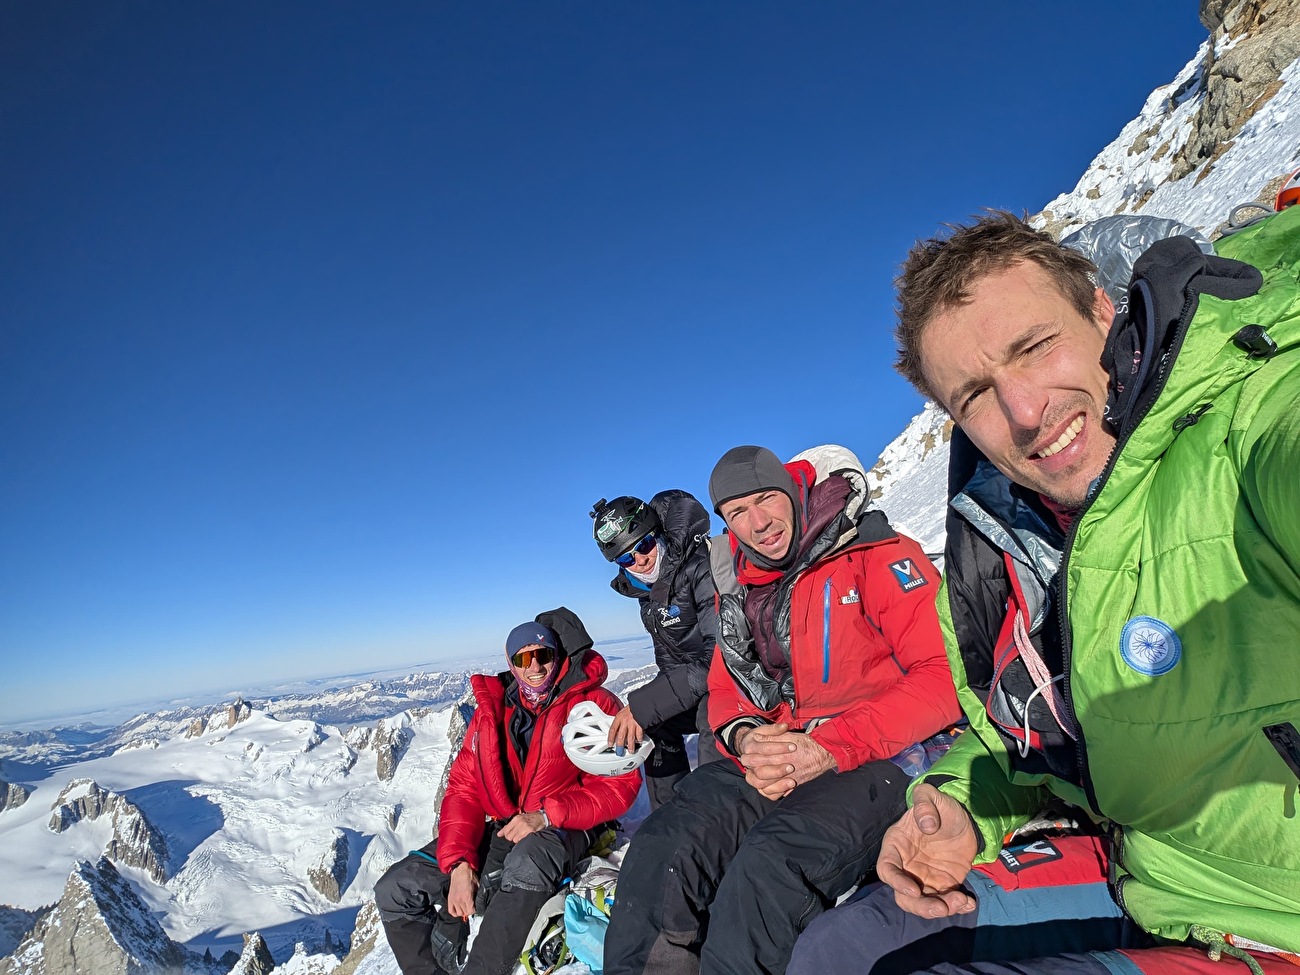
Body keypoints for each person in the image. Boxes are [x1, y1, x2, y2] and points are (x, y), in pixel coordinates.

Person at [789, 208, 1300, 975]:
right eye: (976, 395)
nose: (1026, 412)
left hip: (1268, 919)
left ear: (1101, 310)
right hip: (1149, 873)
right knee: (839, 948)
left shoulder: (1248, 423)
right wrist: (960, 805)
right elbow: (1029, 730)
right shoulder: (1017, 542)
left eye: (1034, 346)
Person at [604, 444, 962, 975]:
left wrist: (829, 747)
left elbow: (943, 677)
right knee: (663, 844)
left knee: (767, 870)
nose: (758, 523)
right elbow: (725, 684)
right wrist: (745, 735)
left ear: (794, 492)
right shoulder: (741, 583)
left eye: (766, 499)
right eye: (737, 512)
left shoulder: (874, 553)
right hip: (784, 748)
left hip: (885, 754)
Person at [375, 608, 642, 975]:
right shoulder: (493, 712)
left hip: (566, 826)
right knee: (394, 889)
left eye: (542, 655)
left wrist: (546, 815)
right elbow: (464, 790)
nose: (535, 667)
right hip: (506, 826)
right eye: (523, 659)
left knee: (526, 862)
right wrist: (460, 864)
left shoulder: (594, 704)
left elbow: (619, 785)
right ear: (511, 664)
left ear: (557, 656)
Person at [590, 491, 723, 808]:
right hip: (703, 686)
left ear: (658, 534)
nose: (639, 560)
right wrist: (646, 712)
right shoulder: (650, 598)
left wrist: (643, 705)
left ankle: (717, 814)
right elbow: (670, 665)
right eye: (626, 559)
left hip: (737, 681)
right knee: (654, 724)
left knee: (712, 714)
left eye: (644, 545)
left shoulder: (701, 568)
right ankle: (672, 815)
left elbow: (718, 658)